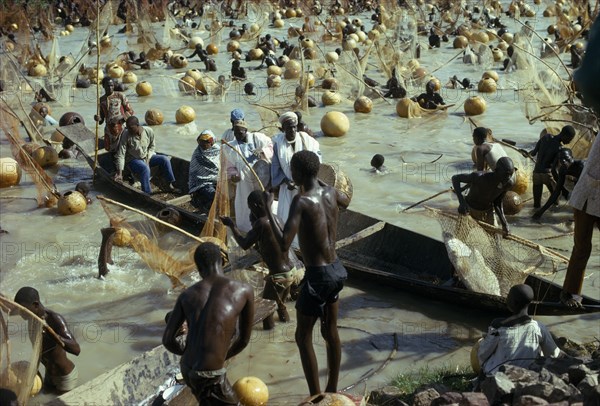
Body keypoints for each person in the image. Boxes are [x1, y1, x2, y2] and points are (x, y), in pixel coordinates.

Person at [264, 150, 351, 396]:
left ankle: (316, 396)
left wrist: (268, 209)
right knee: (330, 331)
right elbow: (346, 200)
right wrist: (320, 180)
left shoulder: (301, 201)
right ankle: (332, 388)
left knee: (303, 337)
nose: (290, 173)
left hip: (318, 276)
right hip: (336, 270)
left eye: (292, 169)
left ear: (300, 173)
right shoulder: (331, 193)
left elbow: (283, 244)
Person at [162, 242, 254, 405]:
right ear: (221, 261)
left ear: (198, 268)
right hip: (209, 374)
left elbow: (168, 340)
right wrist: (222, 357)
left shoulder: (187, 294)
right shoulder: (244, 290)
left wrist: (186, 353)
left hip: (187, 368)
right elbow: (244, 340)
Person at [560, 17, 600, 308]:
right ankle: (569, 296)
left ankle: (570, 296)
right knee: (581, 248)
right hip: (589, 194)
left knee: (581, 249)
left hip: (589, 194)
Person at [221, 191, 296, 330]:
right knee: (280, 305)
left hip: (278, 276)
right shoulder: (276, 219)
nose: (251, 211)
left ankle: (271, 342)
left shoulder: (261, 223)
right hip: (291, 272)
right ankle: (286, 329)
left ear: (255, 206)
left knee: (266, 313)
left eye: (250, 208)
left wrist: (231, 225)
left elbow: (244, 244)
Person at [477, 284, 561, 375]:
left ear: (514, 302)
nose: (506, 299)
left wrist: (486, 339)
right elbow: (554, 354)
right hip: (527, 374)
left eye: (508, 296)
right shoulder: (539, 327)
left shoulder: (498, 326)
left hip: (498, 376)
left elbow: (483, 354)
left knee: (481, 346)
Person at [14, 287, 81, 393]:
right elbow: (11, 310)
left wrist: (54, 336)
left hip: (65, 378)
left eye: (22, 310)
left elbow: (76, 350)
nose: (20, 313)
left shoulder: (54, 320)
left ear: (35, 305)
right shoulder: (31, 316)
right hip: (49, 375)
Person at [271, 112, 322, 226]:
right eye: (289, 127)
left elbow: (317, 159)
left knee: (306, 218)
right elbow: (275, 168)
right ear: (283, 128)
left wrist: (307, 179)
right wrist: (286, 181)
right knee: (287, 216)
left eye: (294, 127)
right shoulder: (278, 144)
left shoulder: (307, 140)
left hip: (307, 186)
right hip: (288, 188)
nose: (292, 130)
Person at [224, 118, 273, 233]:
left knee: (262, 203)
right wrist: (234, 175)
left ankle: (265, 226)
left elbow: (272, 147)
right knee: (245, 205)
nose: (237, 135)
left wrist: (262, 151)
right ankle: (247, 229)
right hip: (243, 183)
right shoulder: (230, 147)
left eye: (240, 132)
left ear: (246, 131)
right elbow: (229, 166)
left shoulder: (258, 138)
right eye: (235, 133)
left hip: (261, 178)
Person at [114, 116, 180, 194]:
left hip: (146, 157)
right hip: (133, 160)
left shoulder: (148, 131)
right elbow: (121, 154)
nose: (130, 130)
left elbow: (152, 147)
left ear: (138, 125)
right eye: (128, 128)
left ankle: (169, 185)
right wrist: (120, 173)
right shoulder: (126, 134)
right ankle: (147, 192)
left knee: (165, 159)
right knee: (145, 168)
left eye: (132, 128)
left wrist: (148, 160)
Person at [451, 156, 516, 235]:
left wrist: (504, 223)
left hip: (488, 211)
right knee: (460, 237)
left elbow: (498, 202)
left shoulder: (508, 183)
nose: (508, 179)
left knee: (496, 240)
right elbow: (455, 178)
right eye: (505, 175)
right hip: (469, 209)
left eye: (510, 175)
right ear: (496, 170)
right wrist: (462, 202)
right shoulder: (479, 177)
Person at [524, 125, 576, 208]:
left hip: (536, 174)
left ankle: (534, 219)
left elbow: (533, 153)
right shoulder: (559, 148)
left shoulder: (545, 137)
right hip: (547, 175)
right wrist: (560, 185)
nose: (569, 142)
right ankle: (551, 217)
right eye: (570, 139)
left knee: (536, 204)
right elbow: (553, 169)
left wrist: (526, 153)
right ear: (565, 135)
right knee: (555, 200)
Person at [533, 148, 584, 219]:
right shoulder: (563, 170)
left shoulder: (581, 165)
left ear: (572, 157)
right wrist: (541, 211)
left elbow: (584, 186)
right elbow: (556, 192)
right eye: (561, 159)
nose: (563, 161)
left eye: (566, 158)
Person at [189, 129, 220, 211]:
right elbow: (194, 172)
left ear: (211, 142)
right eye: (201, 142)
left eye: (206, 143)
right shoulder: (198, 154)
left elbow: (223, 166)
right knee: (214, 196)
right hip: (202, 183)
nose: (203, 145)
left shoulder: (218, 150)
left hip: (217, 180)